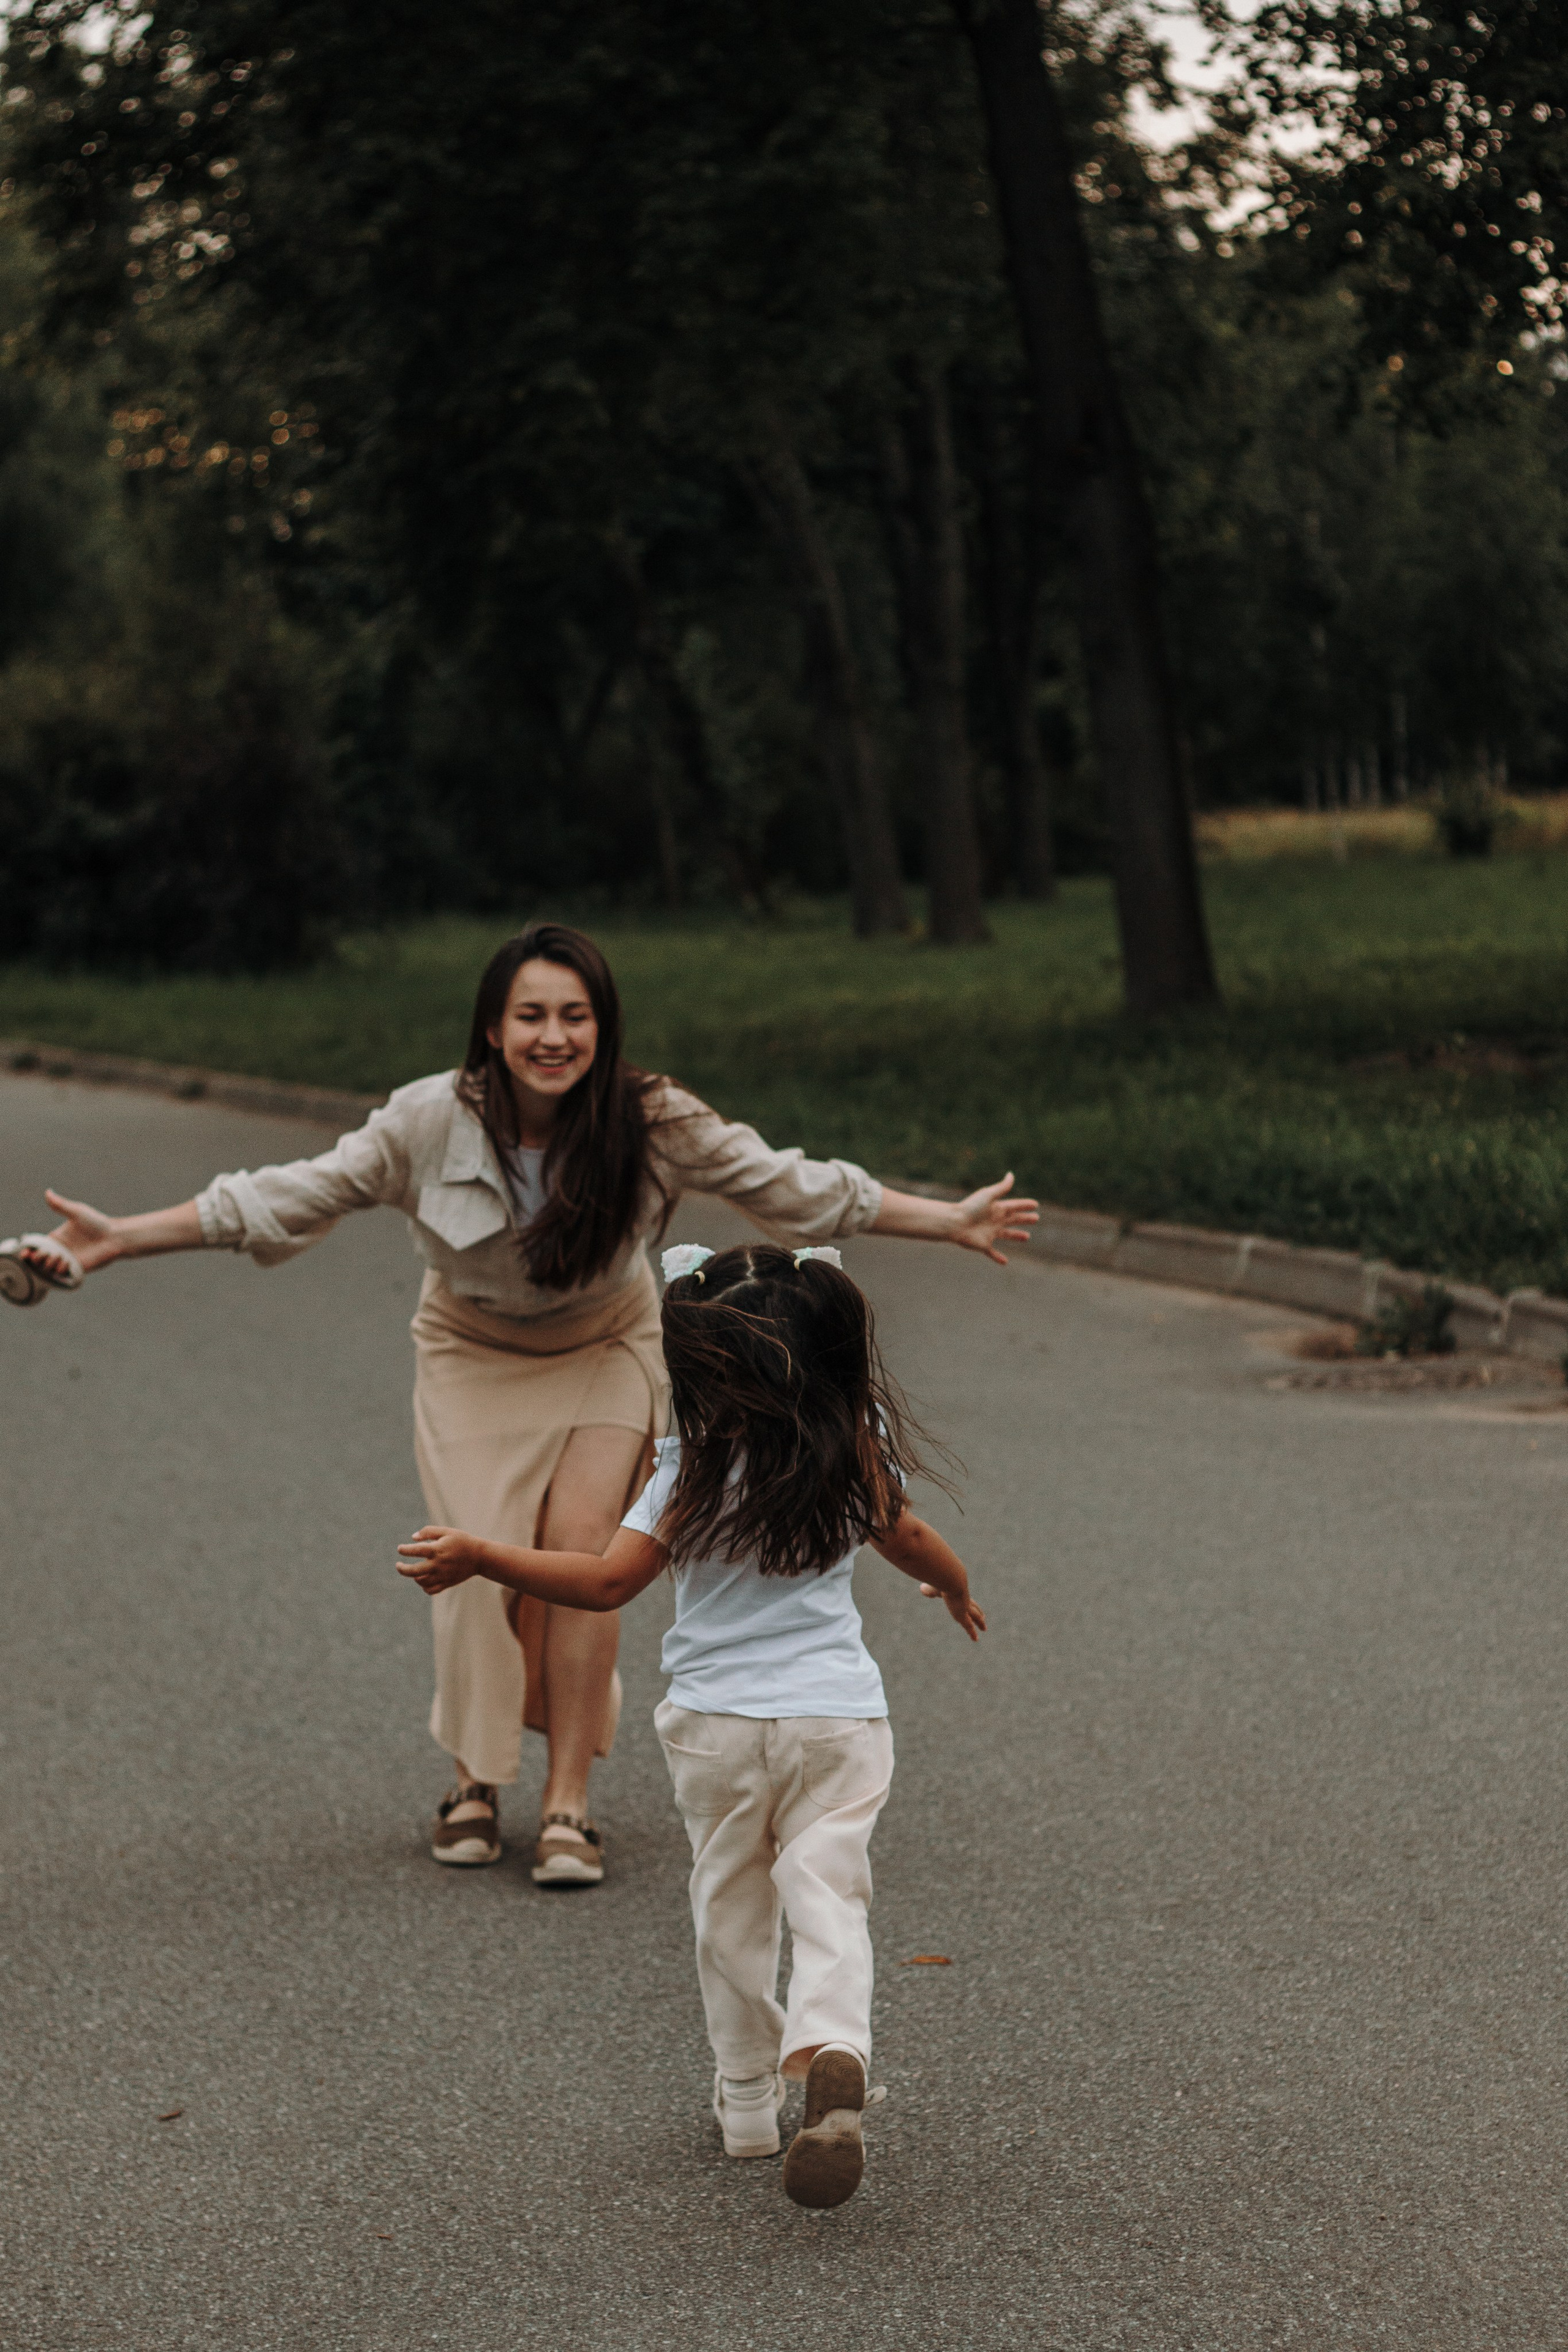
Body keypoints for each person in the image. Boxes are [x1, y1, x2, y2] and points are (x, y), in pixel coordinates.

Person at [4, 923, 1034, 1887]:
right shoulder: (425, 1120)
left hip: (608, 1342)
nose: (554, 1037)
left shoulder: (652, 1117)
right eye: (531, 1016)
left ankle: (568, 1803)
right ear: (492, 1029)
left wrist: (946, 1219)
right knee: (476, 1559)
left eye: (575, 1016)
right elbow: (286, 1195)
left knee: (585, 1547)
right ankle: (474, 1776)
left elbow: (791, 1187)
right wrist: (117, 1238)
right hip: (471, 1351)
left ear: (603, 1026)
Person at [398, 1237, 986, 2211]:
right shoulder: (851, 1443)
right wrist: (955, 1588)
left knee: (731, 1904)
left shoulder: (690, 1466)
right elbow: (909, 1537)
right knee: (828, 1889)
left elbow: (605, 1582)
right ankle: (833, 2040)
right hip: (836, 1719)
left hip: (717, 1726)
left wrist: (482, 1555)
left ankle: (749, 2102)